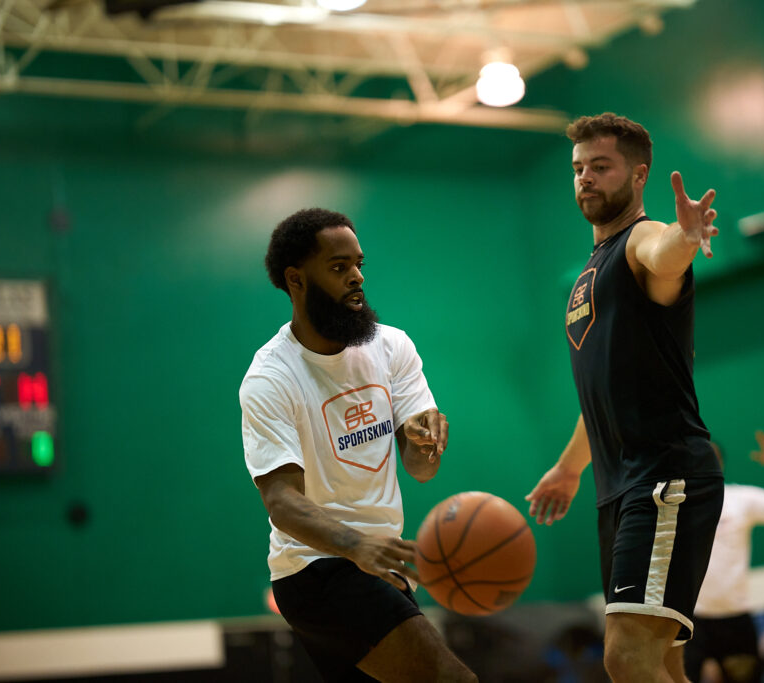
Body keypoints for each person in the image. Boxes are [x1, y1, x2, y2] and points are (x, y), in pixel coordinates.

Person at [525, 112, 724, 683]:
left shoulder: (639, 239)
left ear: (639, 176)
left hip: (664, 476)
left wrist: (685, 237)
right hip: (620, 488)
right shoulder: (590, 270)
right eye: (578, 168)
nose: (585, 177)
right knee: (661, 663)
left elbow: (663, 255)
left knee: (627, 656)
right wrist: (569, 469)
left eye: (601, 166)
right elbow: (607, 392)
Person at [239, 208, 477, 683]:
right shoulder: (270, 378)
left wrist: (425, 445)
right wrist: (356, 545)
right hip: (317, 568)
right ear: (296, 279)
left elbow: (421, 470)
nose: (357, 277)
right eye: (338, 266)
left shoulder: (392, 347)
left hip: (378, 565)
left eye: (358, 264)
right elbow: (281, 501)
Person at [684, 432, 764, 682]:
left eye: (711, 457)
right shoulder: (676, 505)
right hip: (692, 621)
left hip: (736, 619)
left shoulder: (741, 499)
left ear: (720, 464)